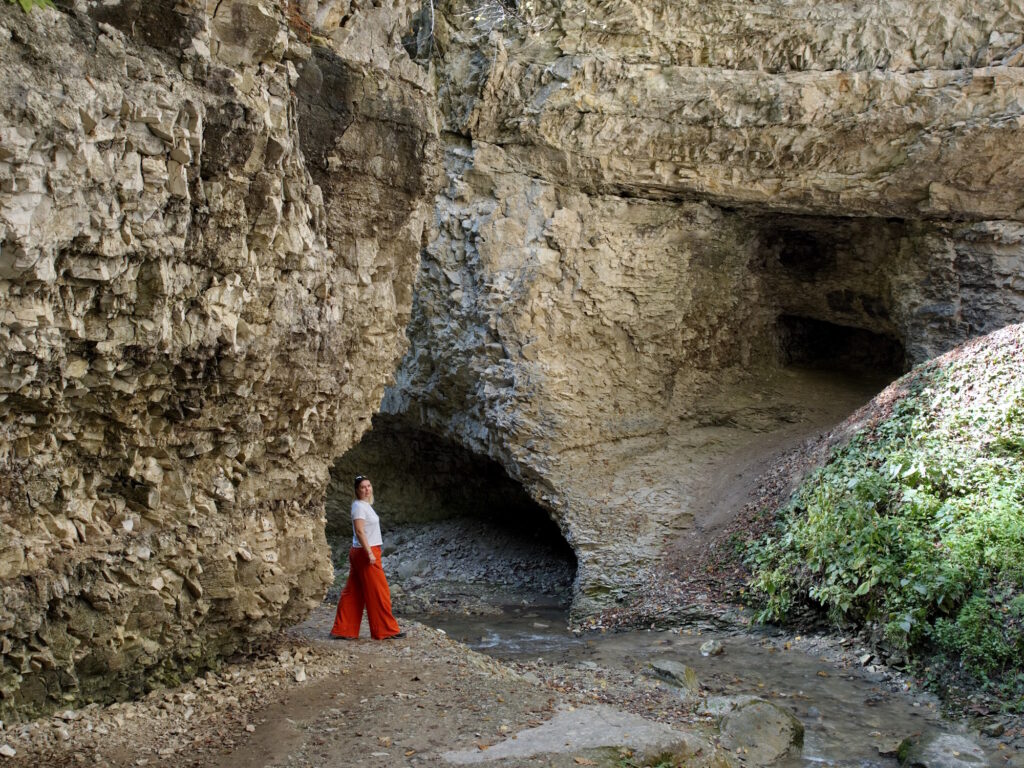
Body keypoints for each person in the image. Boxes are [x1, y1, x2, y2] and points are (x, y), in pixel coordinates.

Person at [330, 475, 405, 640]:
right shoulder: (359, 507)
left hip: (361, 552)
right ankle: (386, 630)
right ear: (357, 490)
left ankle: (343, 629)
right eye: (363, 487)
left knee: (353, 592)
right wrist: (369, 553)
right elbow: (359, 531)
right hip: (366, 552)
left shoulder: (365, 505)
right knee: (380, 591)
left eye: (369, 486)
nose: (366, 489)